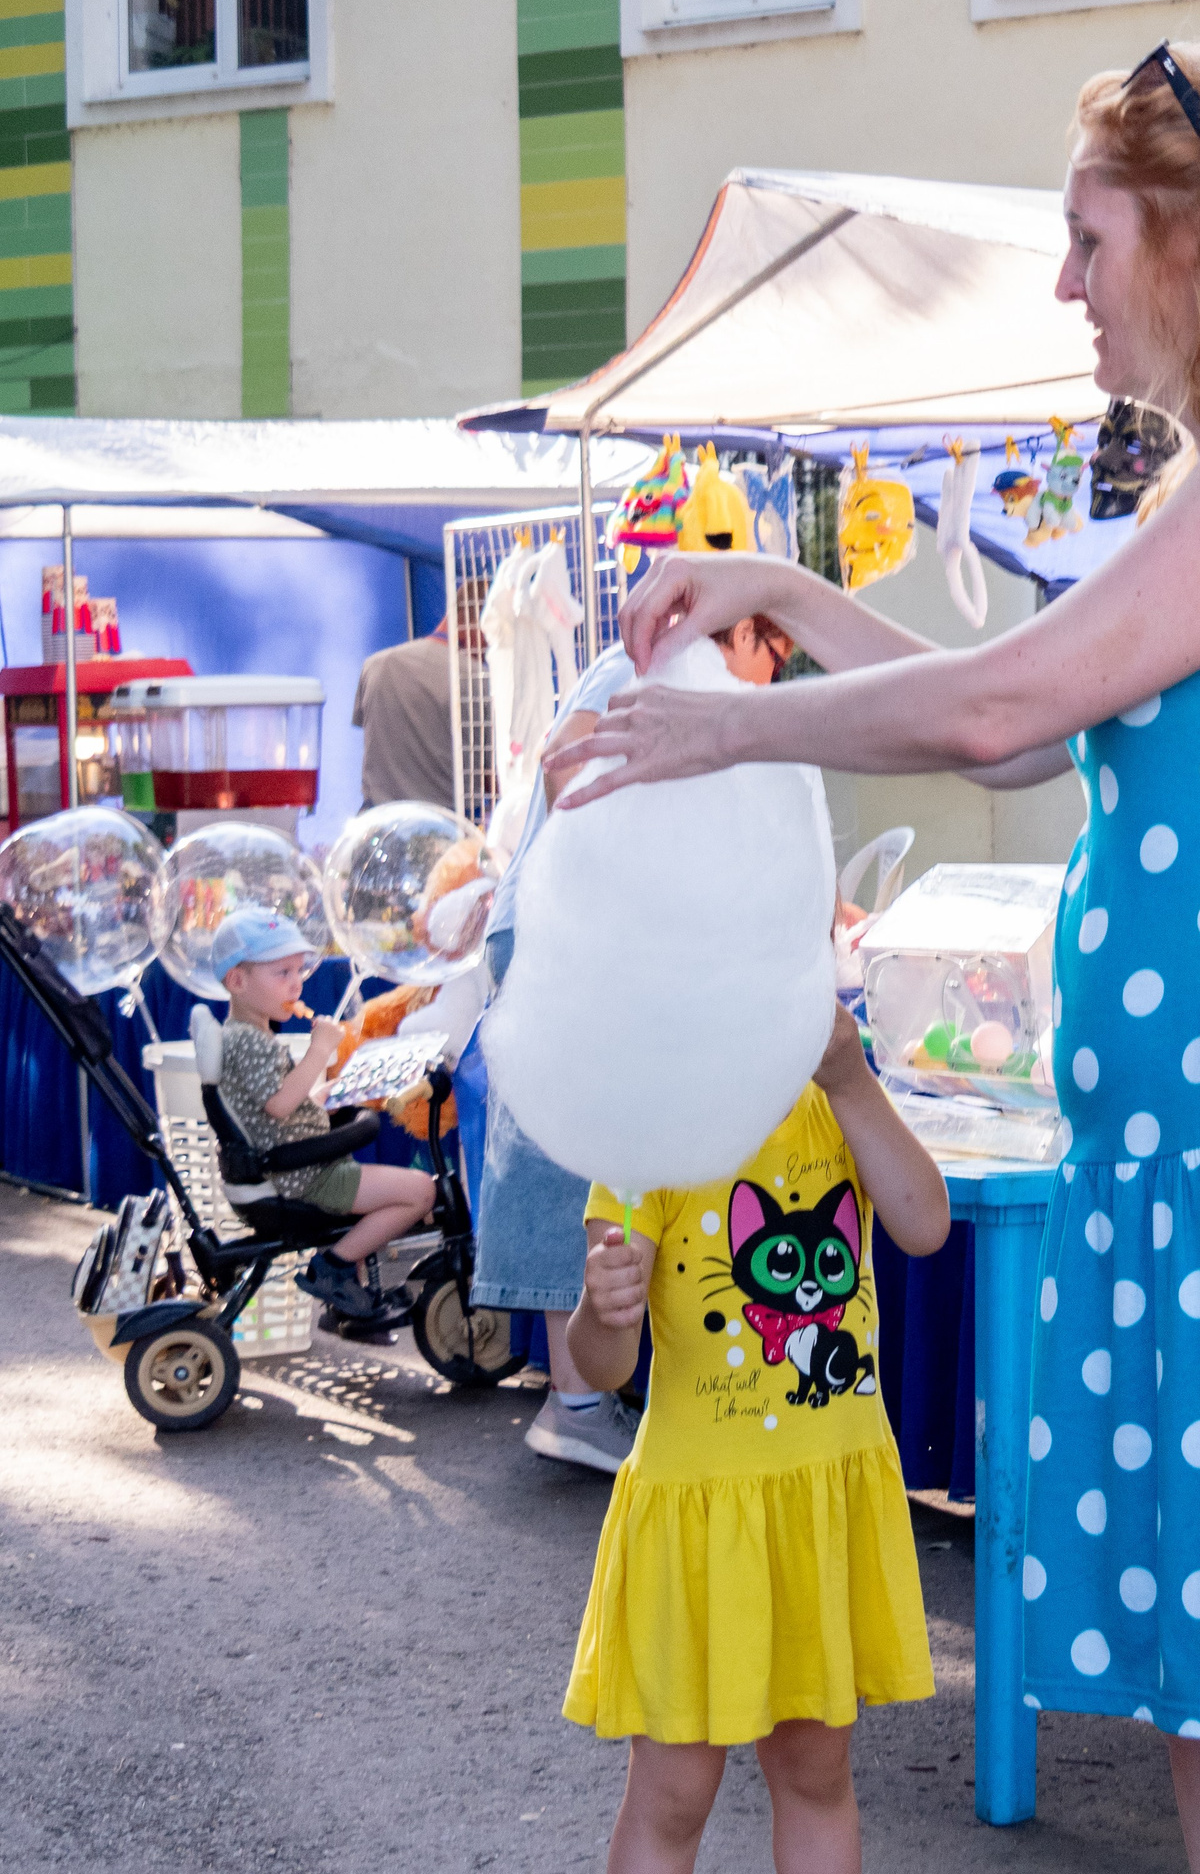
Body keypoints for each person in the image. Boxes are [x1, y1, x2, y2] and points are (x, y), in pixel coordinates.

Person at [545, 35, 1200, 1874]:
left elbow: (1018, 690)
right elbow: (1022, 735)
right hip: (1192, 1173)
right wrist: (777, 598)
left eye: (1090, 239)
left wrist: (728, 730)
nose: (1066, 282)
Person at [561, 1001, 952, 1874]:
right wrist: (601, 1307)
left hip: (820, 1510)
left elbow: (924, 1225)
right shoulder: (647, 1135)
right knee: (673, 1793)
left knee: (817, 1775)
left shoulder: (835, 1103)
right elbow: (601, 1362)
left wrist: (852, 1079)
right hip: (700, 1529)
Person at [478, 604, 795, 1473]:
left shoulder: (678, 681)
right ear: (737, 633)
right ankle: (577, 1401)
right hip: (573, 936)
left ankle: (583, 1392)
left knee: (589, 1151)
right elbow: (567, 763)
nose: (776, 671)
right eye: (775, 648)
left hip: (593, 935)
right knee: (573, 1151)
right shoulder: (655, 668)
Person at [210, 907, 436, 1324]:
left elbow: (282, 1106)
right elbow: (279, 1106)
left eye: (299, 971)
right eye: (282, 973)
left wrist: (331, 1091)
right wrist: (319, 1051)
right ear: (238, 981)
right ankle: (332, 1268)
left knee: (401, 1185)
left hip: (300, 1164)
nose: (296, 984)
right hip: (306, 1175)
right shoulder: (248, 1042)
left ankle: (347, 1287)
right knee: (421, 1191)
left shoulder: (250, 1036)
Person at [353, 619, 463, 810]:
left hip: (376, 819)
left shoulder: (375, 665)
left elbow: (368, 737)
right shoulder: (476, 677)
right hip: (448, 823)